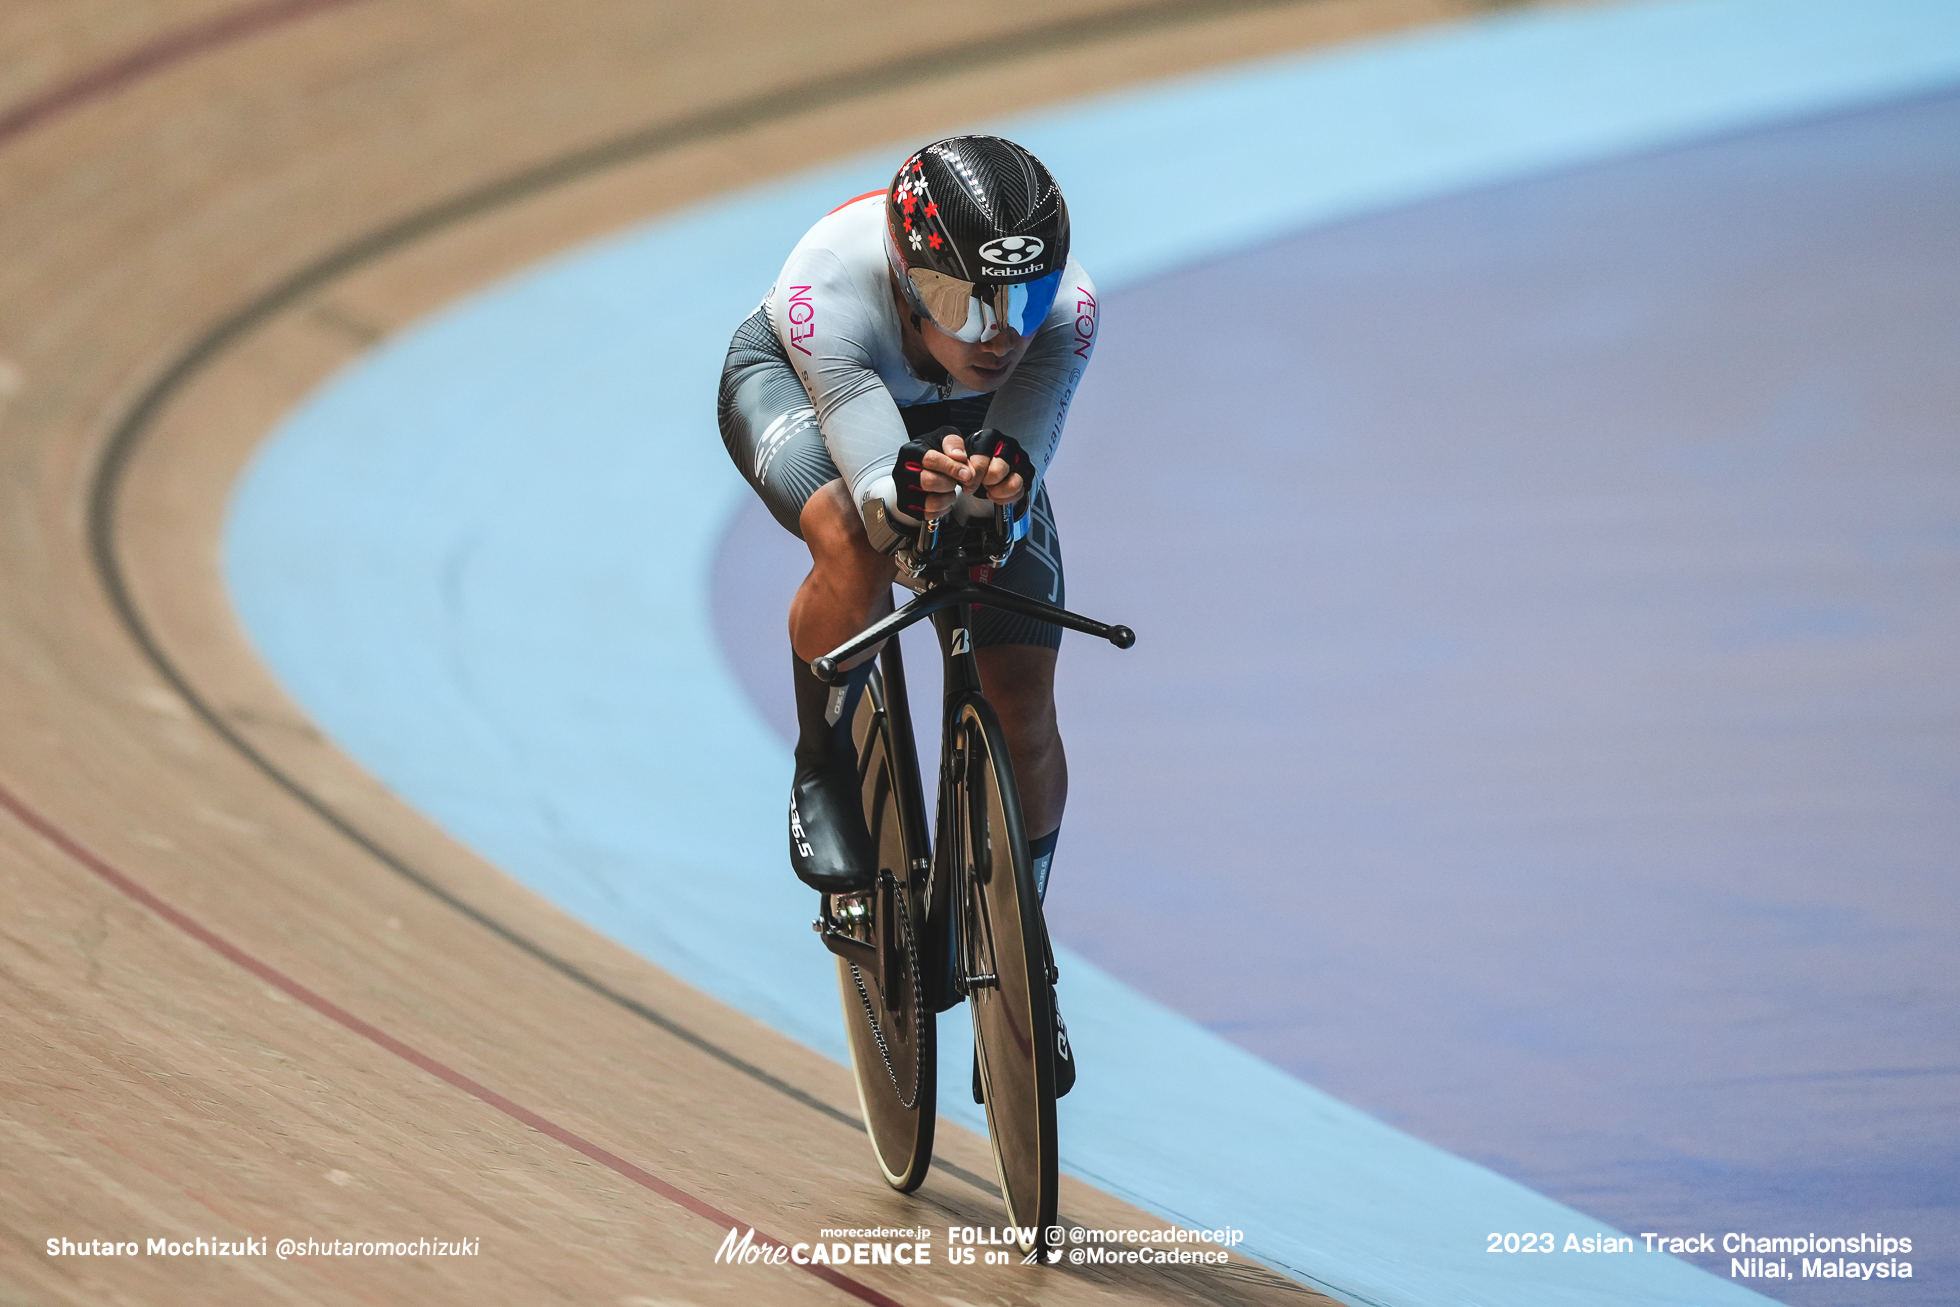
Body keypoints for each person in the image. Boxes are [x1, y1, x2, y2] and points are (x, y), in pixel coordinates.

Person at [717, 135, 1096, 1092]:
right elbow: (886, 491)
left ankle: (1024, 949)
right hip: (808, 391)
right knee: (855, 536)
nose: (1000, 331)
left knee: (1025, 702)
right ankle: (821, 769)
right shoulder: (826, 289)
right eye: (967, 302)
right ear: (906, 275)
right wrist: (914, 496)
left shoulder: (1073, 312)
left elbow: (1019, 457)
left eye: (1025, 298)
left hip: (947, 433)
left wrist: (998, 488)